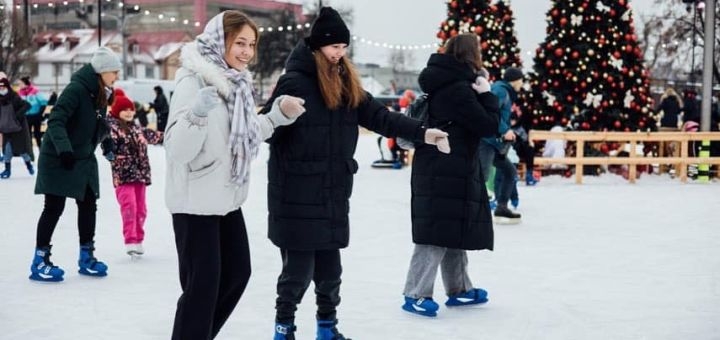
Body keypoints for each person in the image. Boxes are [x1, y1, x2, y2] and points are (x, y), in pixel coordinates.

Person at [259, 7, 450, 339]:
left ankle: (327, 329)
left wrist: (423, 133)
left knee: (331, 272)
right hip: (296, 194)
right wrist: (279, 112)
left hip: (332, 192)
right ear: (318, 46)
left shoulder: (345, 83)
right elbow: (265, 130)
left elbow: (381, 117)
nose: (339, 54)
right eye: (335, 47)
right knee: (297, 273)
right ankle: (283, 329)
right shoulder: (294, 81)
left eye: (344, 48)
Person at [163, 11, 305, 340]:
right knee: (202, 289)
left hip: (225, 199)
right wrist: (197, 114)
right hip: (195, 204)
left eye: (251, 44)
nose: (247, 51)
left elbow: (244, 132)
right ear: (219, 41)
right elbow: (177, 151)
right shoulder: (192, 81)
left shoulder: (236, 84)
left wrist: (277, 116)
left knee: (237, 274)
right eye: (239, 42)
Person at [401, 33, 499, 318]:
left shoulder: (443, 83)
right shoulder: (457, 89)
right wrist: (488, 95)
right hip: (444, 167)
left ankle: (460, 289)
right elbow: (488, 125)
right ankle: (416, 293)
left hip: (442, 166)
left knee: (452, 229)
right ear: (472, 56)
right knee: (435, 232)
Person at [29, 46, 121, 282]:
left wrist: (107, 143)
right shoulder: (76, 90)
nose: (117, 76)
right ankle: (39, 261)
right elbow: (56, 120)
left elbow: (98, 124)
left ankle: (86, 256)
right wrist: (65, 150)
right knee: (54, 208)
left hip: (83, 157)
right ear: (101, 71)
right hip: (59, 157)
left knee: (89, 203)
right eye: (114, 71)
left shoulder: (101, 93)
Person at [107, 94, 163, 256]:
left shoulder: (137, 129)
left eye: (130, 109)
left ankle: (138, 239)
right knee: (129, 207)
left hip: (140, 175)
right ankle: (130, 240)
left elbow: (156, 136)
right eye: (124, 110)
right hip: (123, 176)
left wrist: (173, 134)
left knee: (141, 210)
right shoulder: (112, 128)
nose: (128, 112)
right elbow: (108, 144)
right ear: (117, 111)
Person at [478, 67, 524, 223]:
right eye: (521, 80)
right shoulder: (501, 91)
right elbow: (490, 112)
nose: (522, 83)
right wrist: (505, 130)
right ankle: (470, 210)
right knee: (480, 176)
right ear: (515, 80)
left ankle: (501, 208)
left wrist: (506, 131)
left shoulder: (504, 91)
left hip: (494, 141)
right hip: (486, 140)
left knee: (510, 171)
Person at [1, 76, 34, 179]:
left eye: (3, 86)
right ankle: (7, 170)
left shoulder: (14, 96)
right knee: (7, 150)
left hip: (17, 129)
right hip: (6, 128)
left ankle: (29, 165)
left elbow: (27, 105)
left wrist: (17, 116)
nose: (1, 88)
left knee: (22, 151)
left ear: (7, 86)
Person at [18, 76, 48, 148]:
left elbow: (43, 102)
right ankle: (30, 152)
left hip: (35, 116)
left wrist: (40, 113)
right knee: (27, 136)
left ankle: (41, 150)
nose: (19, 85)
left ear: (25, 84)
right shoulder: (20, 93)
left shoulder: (35, 91)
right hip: (26, 117)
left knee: (37, 134)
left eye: (20, 83)